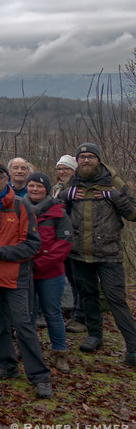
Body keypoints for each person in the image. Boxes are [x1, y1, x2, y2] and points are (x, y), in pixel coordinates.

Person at [0, 162, 52, 397]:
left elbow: (33, 245)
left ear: (6, 179)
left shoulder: (20, 207)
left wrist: (2, 252)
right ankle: (7, 364)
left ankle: (39, 376)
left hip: (16, 277)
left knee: (24, 326)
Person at [61, 143, 136, 366]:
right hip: (78, 254)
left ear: (98, 160)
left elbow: (133, 213)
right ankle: (95, 335)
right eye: (82, 157)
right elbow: (53, 209)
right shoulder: (71, 182)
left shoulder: (113, 181)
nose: (85, 161)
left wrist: (115, 196)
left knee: (116, 300)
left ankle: (132, 346)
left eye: (90, 157)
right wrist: (65, 196)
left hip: (109, 254)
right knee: (88, 295)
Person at [24, 172, 73, 372]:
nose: (35, 189)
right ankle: (27, 349)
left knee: (53, 313)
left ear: (46, 189)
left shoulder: (58, 212)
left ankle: (60, 352)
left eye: (39, 186)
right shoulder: (19, 209)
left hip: (51, 273)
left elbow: (64, 244)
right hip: (24, 272)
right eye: (31, 185)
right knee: (27, 314)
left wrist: (41, 263)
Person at [53, 154, 84, 333]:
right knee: (70, 278)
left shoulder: (77, 188)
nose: (62, 171)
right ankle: (75, 312)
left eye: (67, 168)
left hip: (75, 238)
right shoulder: (58, 188)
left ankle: (80, 315)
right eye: (60, 168)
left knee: (77, 279)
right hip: (61, 238)